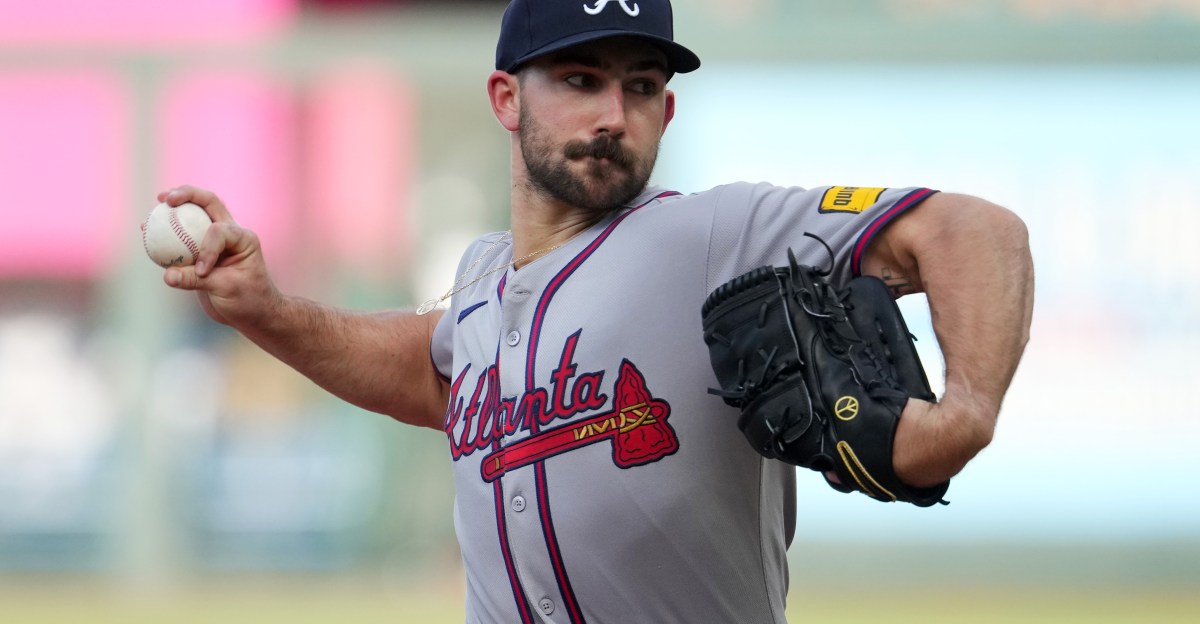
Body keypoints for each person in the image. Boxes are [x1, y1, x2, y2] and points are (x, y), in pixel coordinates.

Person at [156, 0, 1034, 622]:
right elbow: (432, 371)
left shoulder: (711, 234)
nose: (615, 114)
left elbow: (975, 230)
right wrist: (265, 310)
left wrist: (965, 416)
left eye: (641, 86)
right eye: (581, 78)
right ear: (507, 99)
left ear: (668, 107)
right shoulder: (484, 276)